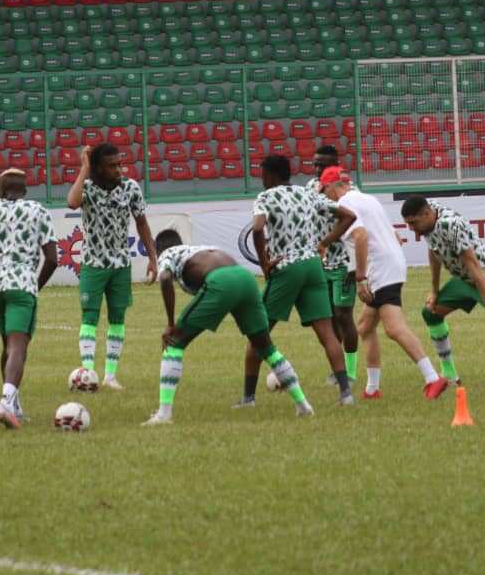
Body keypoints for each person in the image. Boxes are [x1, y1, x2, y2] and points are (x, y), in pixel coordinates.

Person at [142, 230, 314, 425]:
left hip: (222, 281)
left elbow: (164, 278)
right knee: (266, 347)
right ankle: (303, 405)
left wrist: (171, 324)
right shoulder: (199, 248)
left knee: (174, 343)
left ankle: (164, 415)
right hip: (246, 279)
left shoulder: (168, 253)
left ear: (158, 251)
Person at [236, 154, 356, 408]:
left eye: (262, 174)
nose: (260, 179)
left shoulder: (266, 197)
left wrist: (265, 262)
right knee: (327, 333)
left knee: (258, 333)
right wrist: (324, 243)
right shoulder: (307, 193)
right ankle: (346, 394)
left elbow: (257, 228)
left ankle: (248, 398)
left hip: (287, 267)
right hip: (313, 266)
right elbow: (348, 216)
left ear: (270, 175)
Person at [318, 168, 449, 400]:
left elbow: (360, 237)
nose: (325, 196)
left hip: (379, 268)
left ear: (333, 186)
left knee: (394, 328)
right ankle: (372, 389)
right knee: (365, 327)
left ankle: (433, 378)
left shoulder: (346, 204)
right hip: (390, 262)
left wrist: (360, 278)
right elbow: (393, 234)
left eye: (324, 190)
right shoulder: (368, 198)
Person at [400, 195, 485, 391]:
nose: (411, 228)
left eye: (413, 223)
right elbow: (434, 251)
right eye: (408, 224)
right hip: (464, 279)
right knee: (431, 313)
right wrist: (434, 290)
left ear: (426, 214)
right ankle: (450, 375)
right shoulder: (427, 219)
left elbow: (474, 265)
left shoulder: (450, 224)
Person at [0, 169, 58, 429]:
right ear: (24, 190)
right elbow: (52, 258)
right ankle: (6, 402)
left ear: (0, 189)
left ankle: (14, 404)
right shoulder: (38, 210)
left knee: (8, 345)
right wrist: (34, 285)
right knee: (18, 346)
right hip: (21, 283)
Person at [65, 143, 158, 391]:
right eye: (112, 166)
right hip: (93, 264)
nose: (119, 169)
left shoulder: (130, 188)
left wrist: (152, 258)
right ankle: (88, 373)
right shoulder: (86, 188)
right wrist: (84, 168)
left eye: (119, 164)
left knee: (118, 318)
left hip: (120, 264)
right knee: (90, 317)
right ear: (98, 168)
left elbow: (142, 223)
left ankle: (110, 376)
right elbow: (72, 203)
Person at [307, 145, 359, 387]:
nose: (318, 169)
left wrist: (357, 266)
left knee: (343, 315)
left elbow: (358, 227)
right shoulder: (309, 187)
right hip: (320, 264)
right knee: (327, 318)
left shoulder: (349, 191)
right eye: (315, 164)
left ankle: (350, 372)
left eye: (324, 165)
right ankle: (337, 371)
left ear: (336, 164)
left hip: (344, 263)